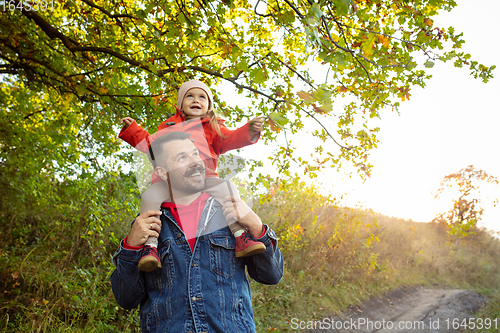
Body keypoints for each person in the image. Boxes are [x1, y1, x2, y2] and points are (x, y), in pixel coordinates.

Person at [110, 131, 284, 333]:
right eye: (182, 157)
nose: (195, 162)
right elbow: (126, 299)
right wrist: (130, 247)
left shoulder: (231, 214)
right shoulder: (148, 226)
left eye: (195, 154)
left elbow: (272, 275)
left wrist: (256, 226)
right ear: (162, 172)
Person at [118, 80, 266, 272]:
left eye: (202, 97)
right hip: (170, 181)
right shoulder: (169, 126)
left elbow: (230, 139)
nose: (196, 100)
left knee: (228, 189)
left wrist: (249, 131)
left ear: (209, 105)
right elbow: (150, 145)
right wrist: (133, 131)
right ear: (180, 104)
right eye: (190, 96)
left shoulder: (212, 127)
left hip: (205, 178)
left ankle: (239, 235)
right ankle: (150, 246)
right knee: (150, 197)